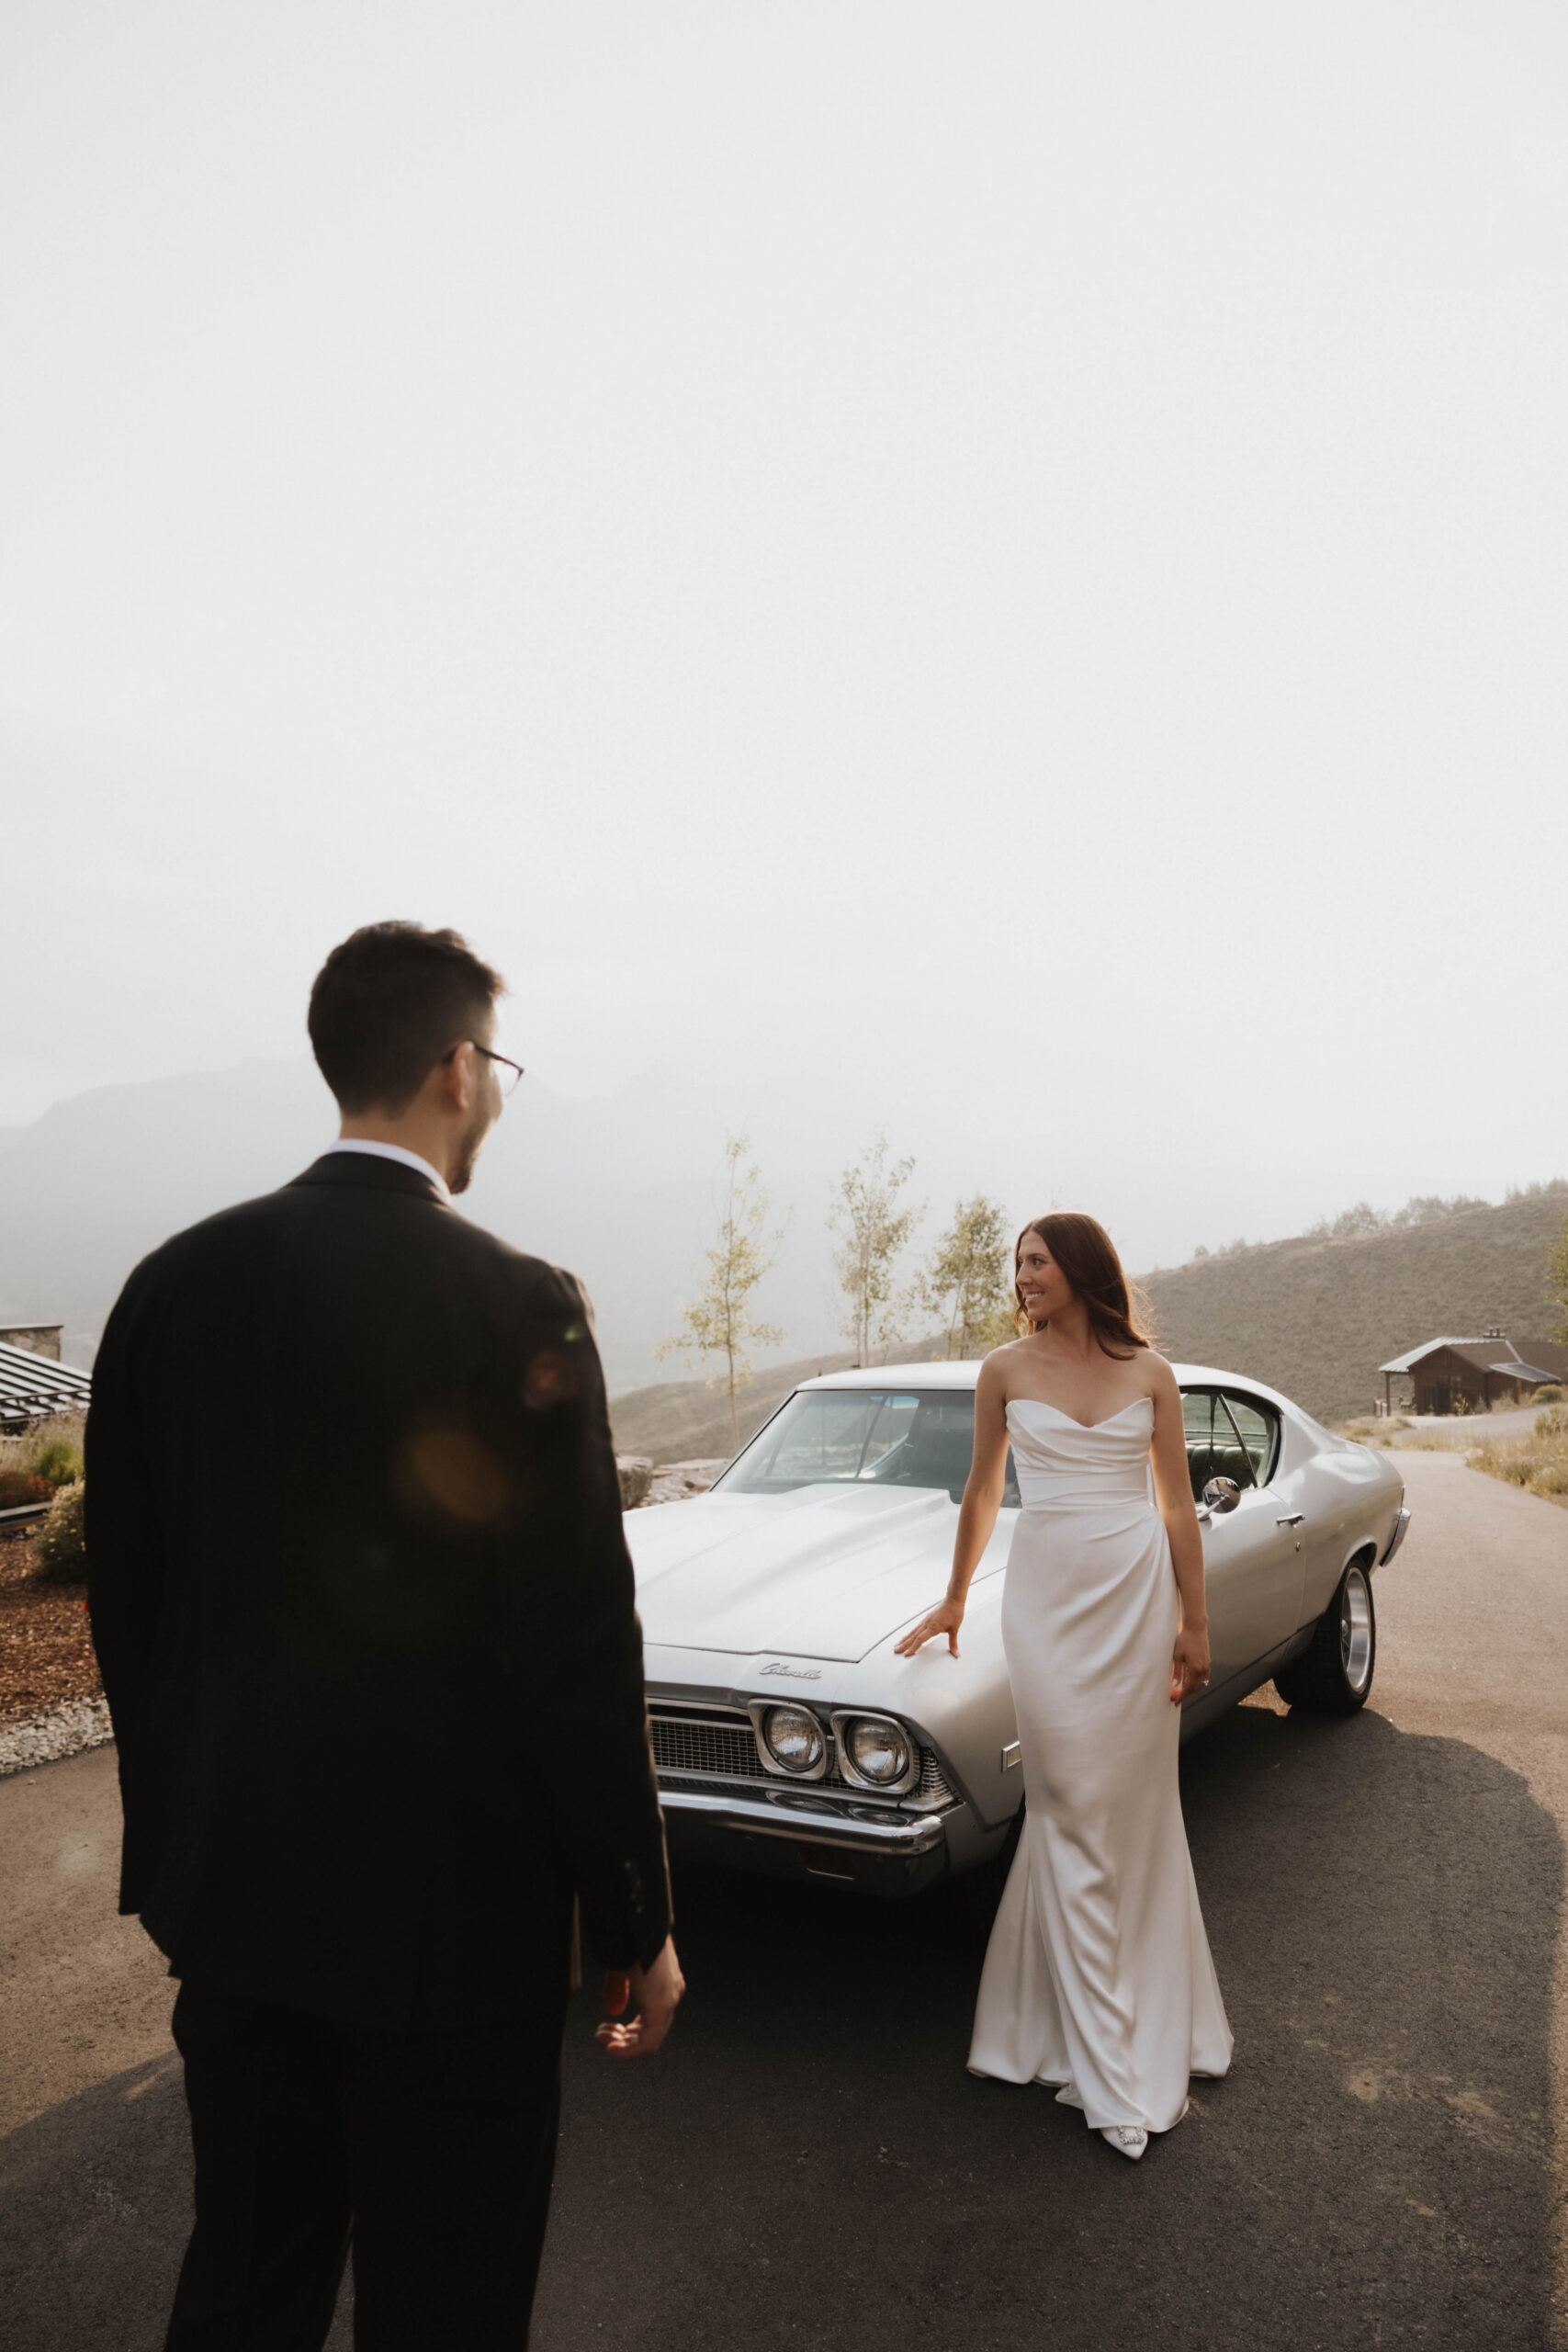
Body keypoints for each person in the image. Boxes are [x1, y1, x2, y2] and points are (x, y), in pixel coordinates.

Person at [85, 920, 682, 2347]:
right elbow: (575, 1645)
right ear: (457, 1067)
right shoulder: (519, 1304)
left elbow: (130, 1603)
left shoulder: (170, 1286)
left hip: (230, 1908)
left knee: (242, 2284)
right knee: (448, 2303)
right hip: (454, 1936)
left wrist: (175, 1852)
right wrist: (634, 1918)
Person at [896, 1211, 1231, 2158]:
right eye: (1019, 1266)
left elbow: (1176, 1505)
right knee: (1069, 1801)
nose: (1024, 1277)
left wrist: (1193, 1621)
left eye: (1037, 1261)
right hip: (1043, 1606)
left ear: (1082, 1269)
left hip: (1134, 1598)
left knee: (1126, 1809)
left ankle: (1093, 2018)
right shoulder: (1004, 1371)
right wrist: (956, 1596)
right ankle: (1113, 2067)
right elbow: (982, 1491)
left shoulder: (1152, 1375)